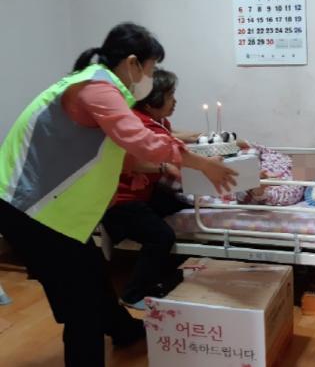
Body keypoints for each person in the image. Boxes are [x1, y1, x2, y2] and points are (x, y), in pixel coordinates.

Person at [0, 23, 237, 367]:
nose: (151, 79)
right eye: (152, 69)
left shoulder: (98, 88)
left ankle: (125, 332)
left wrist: (166, 166)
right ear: (132, 63)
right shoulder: (96, 88)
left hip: (55, 214)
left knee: (93, 275)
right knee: (82, 305)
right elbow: (141, 140)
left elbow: (122, 154)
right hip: (31, 210)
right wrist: (201, 164)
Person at [101, 68, 199, 310]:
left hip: (145, 193)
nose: (175, 101)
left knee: (180, 202)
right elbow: (130, 160)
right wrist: (166, 166)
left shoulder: (158, 121)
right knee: (162, 236)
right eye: (170, 95)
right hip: (122, 201)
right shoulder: (135, 125)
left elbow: (170, 135)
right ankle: (133, 294)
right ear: (151, 101)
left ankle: (164, 271)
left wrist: (202, 137)